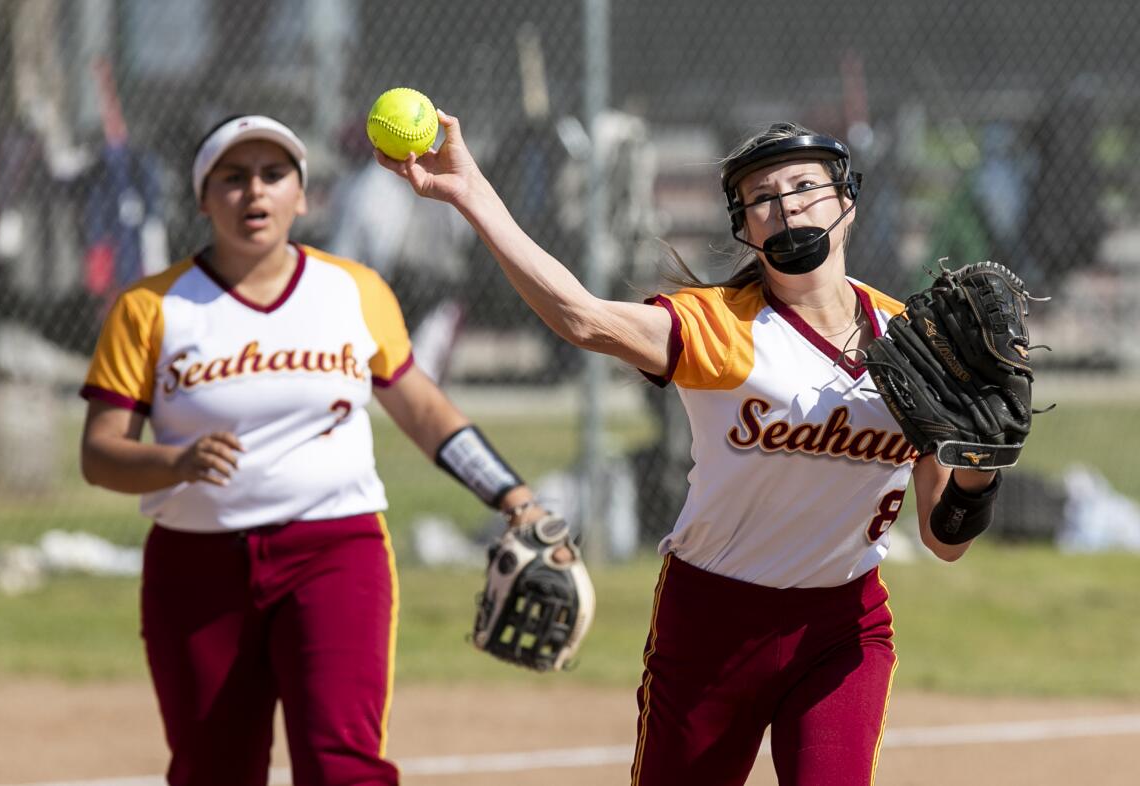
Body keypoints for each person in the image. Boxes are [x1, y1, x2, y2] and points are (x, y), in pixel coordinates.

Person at [378, 115, 1002, 785]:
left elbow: (945, 539)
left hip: (841, 627)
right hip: (713, 626)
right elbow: (581, 317)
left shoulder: (916, 346)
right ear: (746, 226)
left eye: (804, 185)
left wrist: (979, 467)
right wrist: (473, 194)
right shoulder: (719, 326)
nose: (785, 203)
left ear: (846, 200)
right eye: (761, 196)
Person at [78, 114, 553, 786]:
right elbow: (100, 454)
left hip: (335, 552)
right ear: (202, 196)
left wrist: (513, 495)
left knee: (342, 767)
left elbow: (422, 410)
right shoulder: (151, 307)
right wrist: (176, 463)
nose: (255, 193)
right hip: (197, 566)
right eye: (232, 178)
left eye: (275, 175)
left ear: (302, 195)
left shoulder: (351, 291)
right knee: (213, 769)